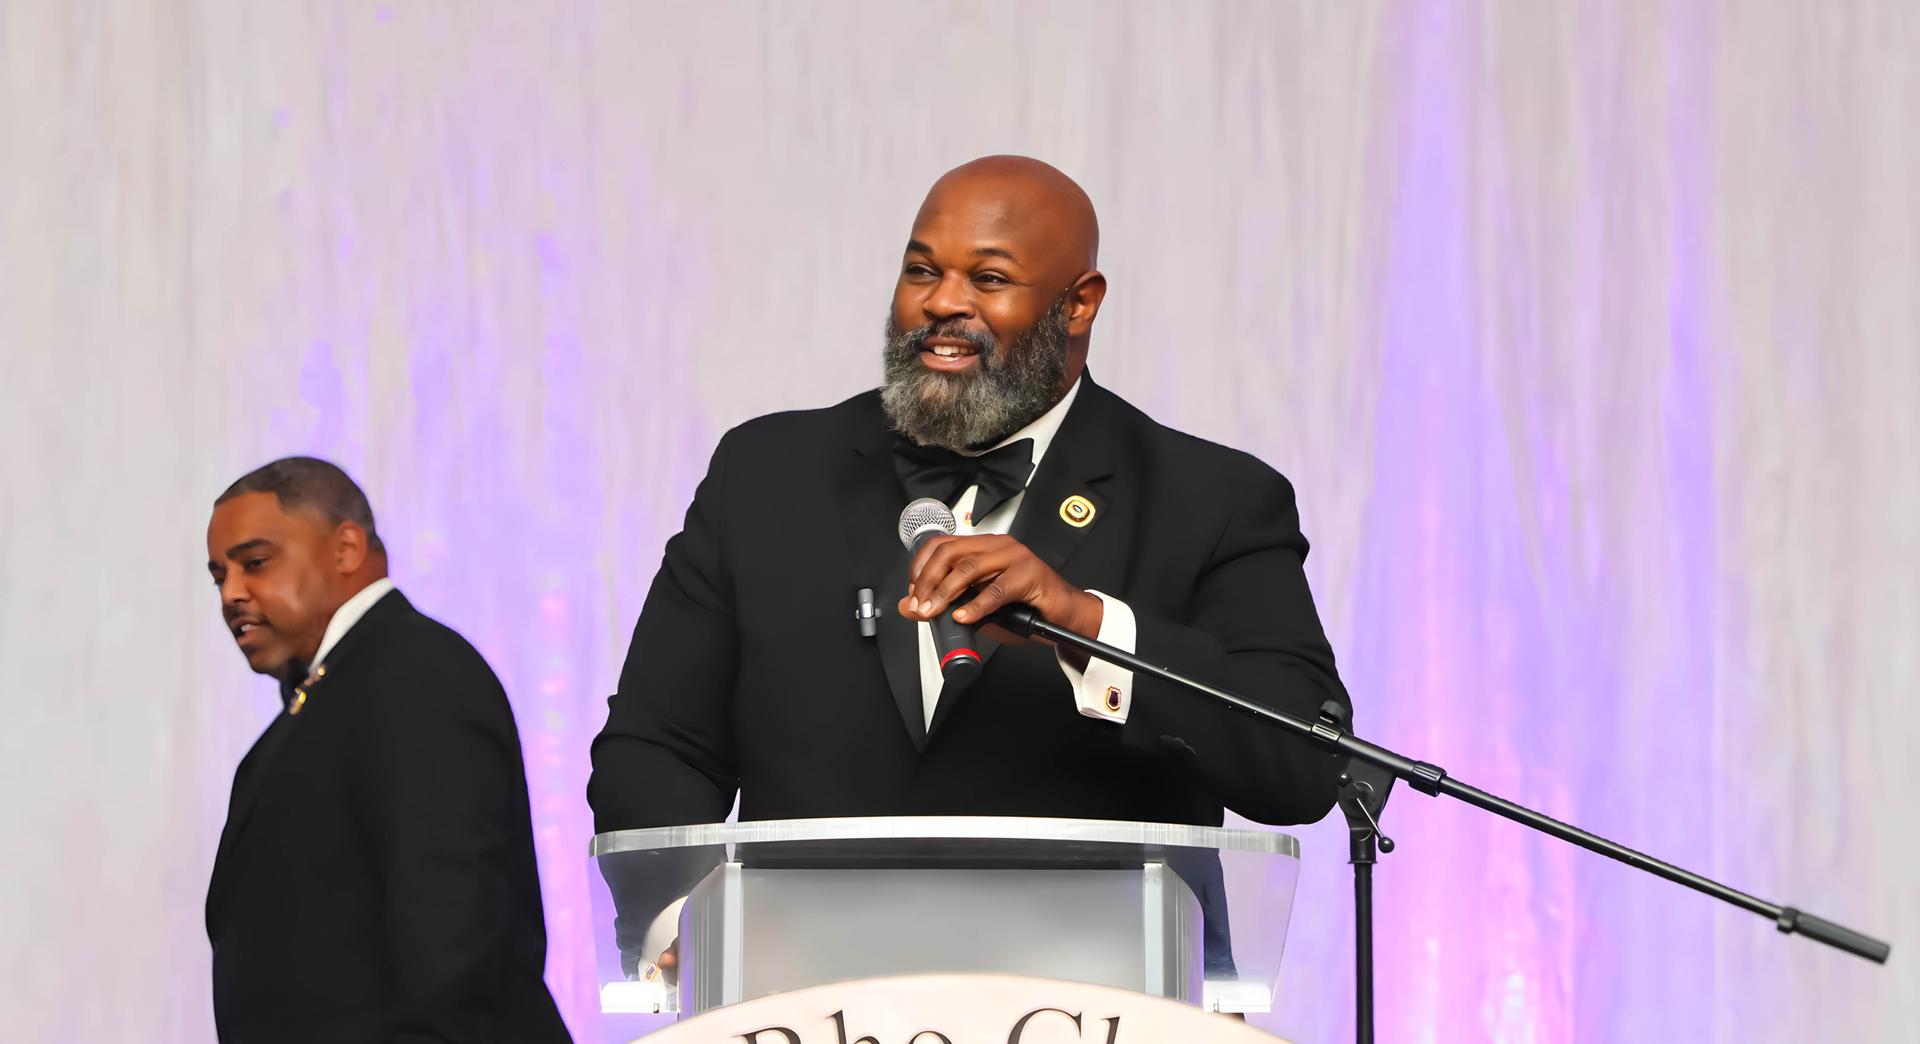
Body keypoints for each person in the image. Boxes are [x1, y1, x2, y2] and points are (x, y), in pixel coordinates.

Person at [588, 156, 1350, 973]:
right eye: (922, 271)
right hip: (802, 999)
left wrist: (1088, 624)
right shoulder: (767, 473)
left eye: (988, 278)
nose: (942, 303)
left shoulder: (1211, 499)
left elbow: (1303, 763)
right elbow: (659, 745)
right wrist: (685, 925)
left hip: (1101, 1002)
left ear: (1079, 303)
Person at [204, 457, 570, 1043]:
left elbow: (450, 938)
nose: (231, 594)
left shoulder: (413, 671)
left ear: (346, 549)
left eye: (256, 563)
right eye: (218, 576)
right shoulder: (327, 698)